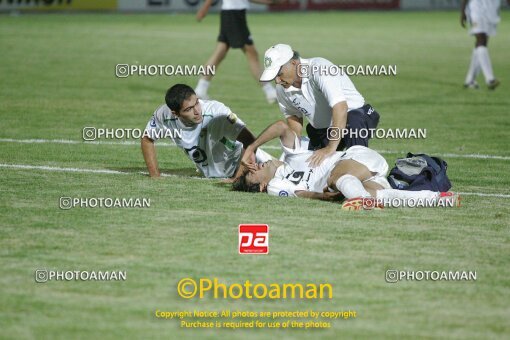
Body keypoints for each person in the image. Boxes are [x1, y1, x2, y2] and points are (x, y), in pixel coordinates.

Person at [234, 120, 460, 209]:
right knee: (383, 197)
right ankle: (438, 200)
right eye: (254, 174)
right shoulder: (275, 186)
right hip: (360, 176)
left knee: (335, 179)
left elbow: (282, 127)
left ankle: (359, 200)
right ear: (262, 187)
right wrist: (323, 197)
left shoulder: (290, 156)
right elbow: (301, 193)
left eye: (256, 166)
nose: (257, 167)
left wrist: (252, 148)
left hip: (352, 159)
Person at [259, 43, 381, 168]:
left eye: (279, 74)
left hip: (357, 117)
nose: (277, 81)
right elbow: (293, 117)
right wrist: (294, 152)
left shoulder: (319, 68)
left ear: (294, 63)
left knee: (354, 121)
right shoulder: (282, 88)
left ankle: (362, 168)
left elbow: (340, 107)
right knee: (312, 168)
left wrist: (330, 148)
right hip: (324, 130)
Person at [141, 84, 272, 179]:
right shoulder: (164, 115)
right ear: (175, 114)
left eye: (197, 103)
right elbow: (147, 138)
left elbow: (250, 141)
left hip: (250, 166)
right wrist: (155, 176)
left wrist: (237, 178)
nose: (197, 111)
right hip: (213, 175)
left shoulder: (217, 112)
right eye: (189, 109)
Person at [194, 0, 279, 103]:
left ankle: (200, 89)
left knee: (219, 53)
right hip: (234, 15)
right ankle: (270, 92)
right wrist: (270, 2)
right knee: (251, 53)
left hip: (231, 14)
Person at [461, 0, 509, 89]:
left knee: (482, 44)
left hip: (491, 11)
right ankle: (490, 79)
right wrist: (463, 10)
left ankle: (470, 80)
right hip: (476, 8)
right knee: (481, 40)